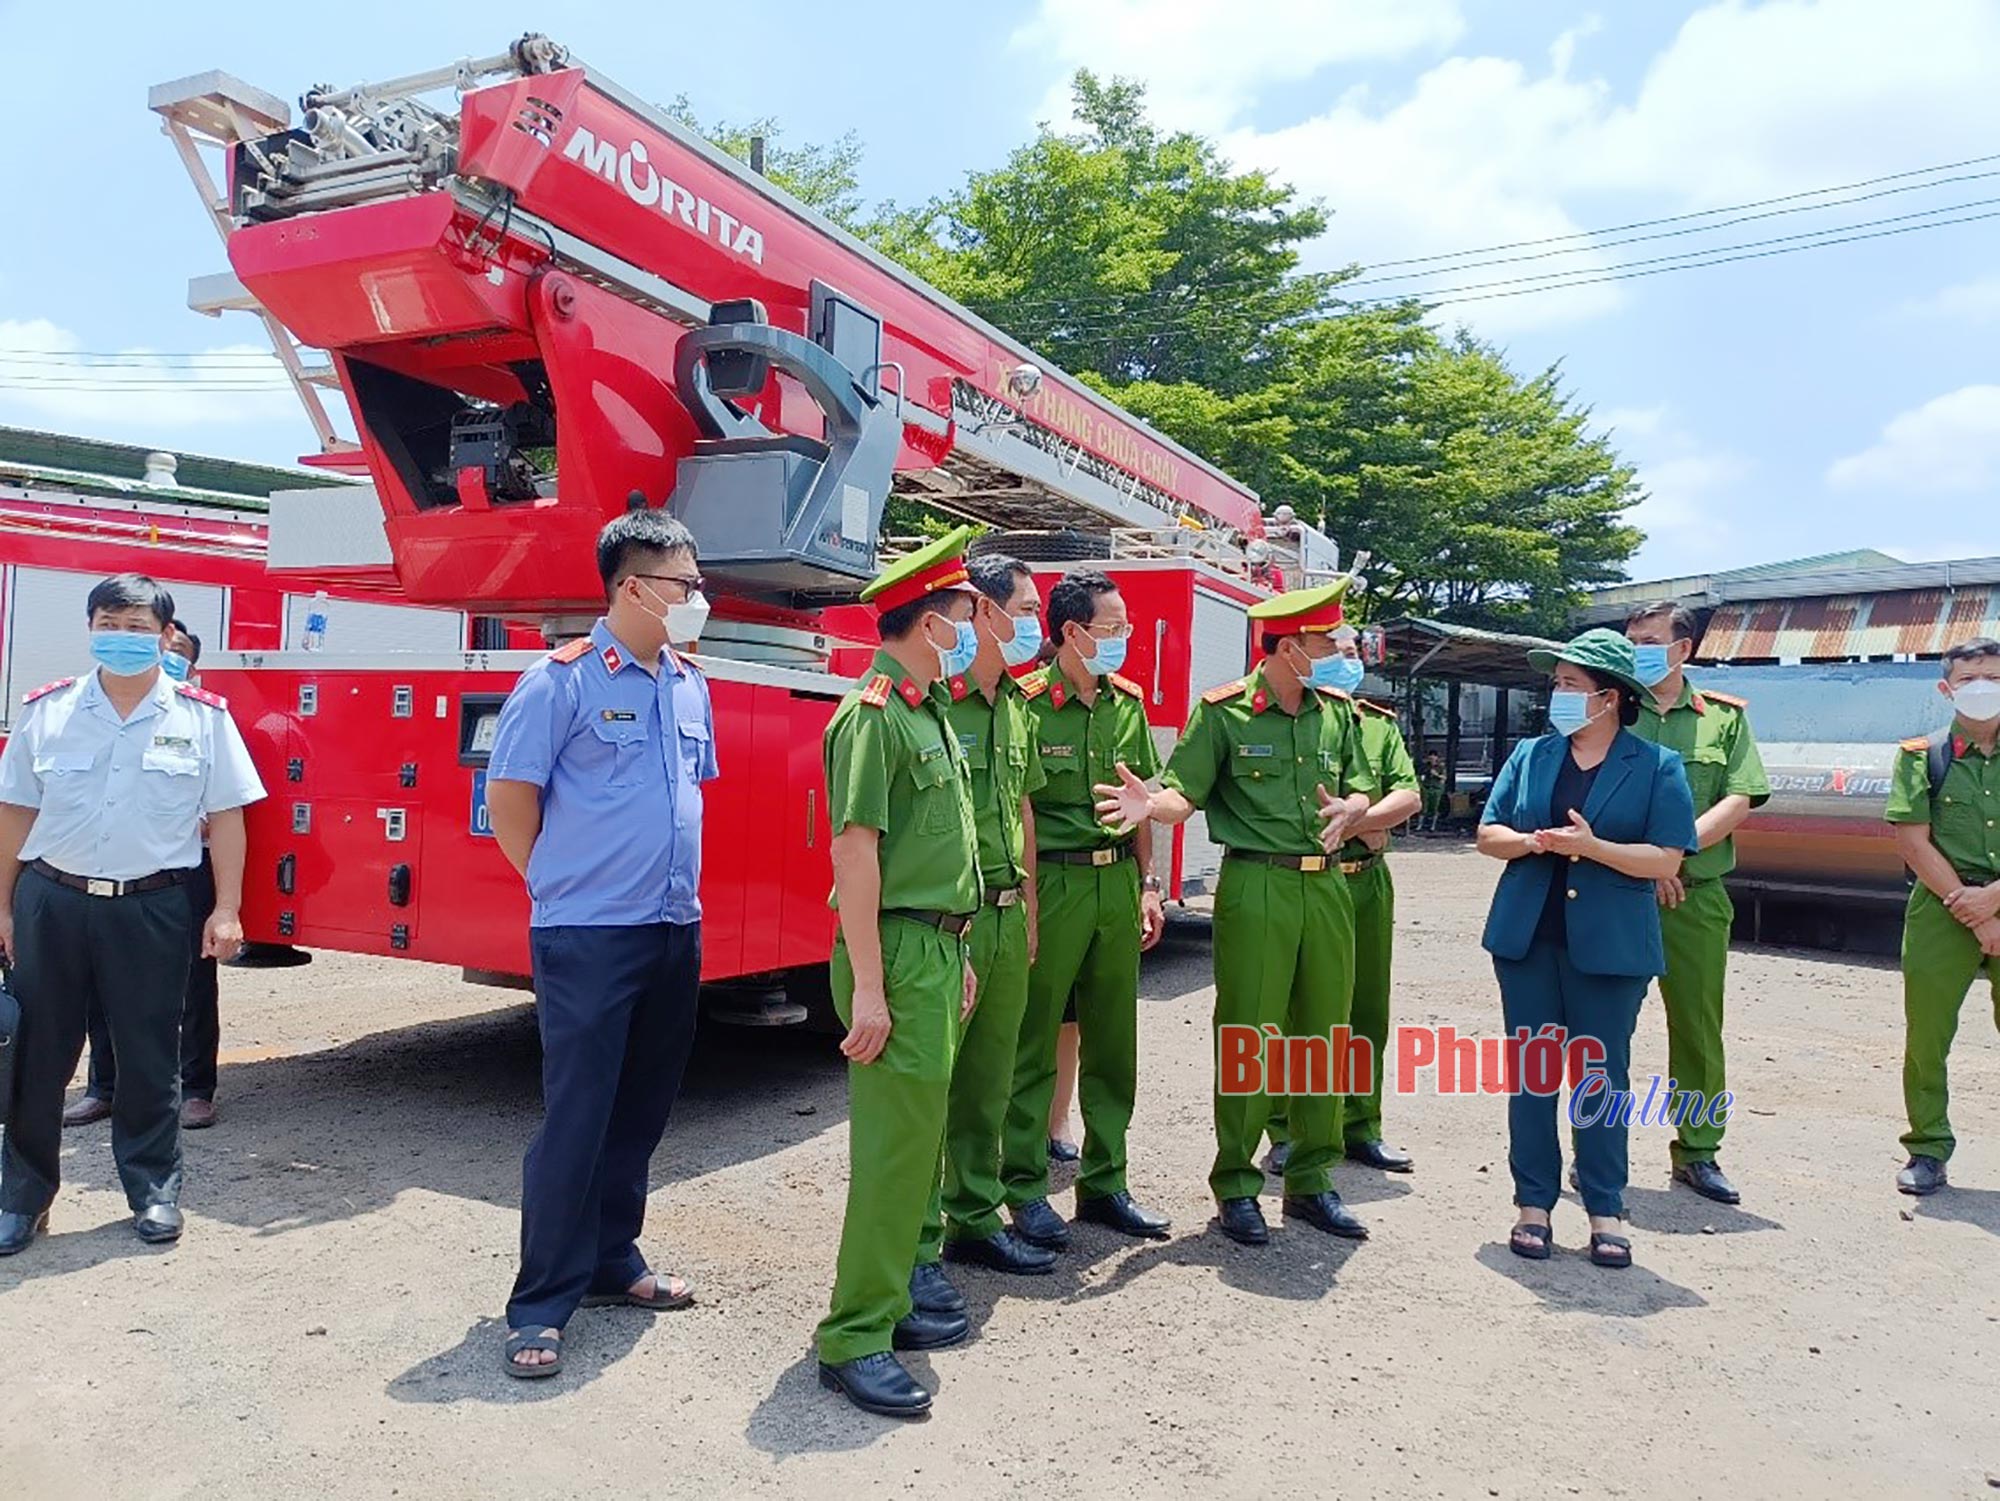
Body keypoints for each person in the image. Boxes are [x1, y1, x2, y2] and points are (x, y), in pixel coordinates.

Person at [483, 510, 717, 1379]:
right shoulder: (560, 682)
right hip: (588, 932)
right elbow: (511, 802)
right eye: (685, 586)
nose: (698, 599)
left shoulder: (688, 682)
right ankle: (541, 1299)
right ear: (632, 588)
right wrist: (557, 885)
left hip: (671, 926)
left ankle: (614, 1259)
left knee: (643, 1105)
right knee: (577, 1115)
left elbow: (690, 795)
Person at [1099, 583, 1378, 1244]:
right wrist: (1149, 807)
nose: (1341, 654)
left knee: (1323, 1034)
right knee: (1251, 1034)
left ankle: (1311, 1179)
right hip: (1257, 885)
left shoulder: (1336, 712)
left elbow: (1363, 783)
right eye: (1327, 644)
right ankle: (1236, 1185)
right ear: (1290, 647)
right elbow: (1180, 794)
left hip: (1328, 887)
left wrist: (1358, 807)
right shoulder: (1224, 713)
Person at [0, 574, 263, 1255]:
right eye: (110, 623)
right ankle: (23, 1198)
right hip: (51, 900)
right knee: (38, 1055)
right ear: (90, 627)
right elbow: (15, 812)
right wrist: (1, 904)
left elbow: (229, 819)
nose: (122, 637)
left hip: (152, 904)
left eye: (138, 627)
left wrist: (227, 906)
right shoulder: (48, 711)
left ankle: (153, 1191)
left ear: (167, 636)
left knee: (150, 1053)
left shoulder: (202, 717)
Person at [815, 527, 984, 1419]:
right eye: (962, 615)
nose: (972, 627)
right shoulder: (874, 714)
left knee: (920, 1145)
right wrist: (873, 987)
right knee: (891, 1155)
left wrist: (953, 955)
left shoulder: (930, 711)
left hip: (935, 948)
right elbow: (856, 851)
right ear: (927, 621)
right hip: (898, 951)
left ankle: (895, 1301)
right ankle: (855, 1335)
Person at [1475, 629, 1696, 1271]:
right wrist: (1531, 843)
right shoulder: (1531, 756)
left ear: (1610, 698)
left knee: (1601, 1076)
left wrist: (1593, 848)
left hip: (1612, 947)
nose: (1560, 695)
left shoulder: (1656, 766)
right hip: (1527, 938)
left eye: (1572, 684)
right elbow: (1489, 834)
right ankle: (1533, 1205)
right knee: (1533, 1074)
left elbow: (1666, 857)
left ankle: (1605, 1207)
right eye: (1558, 683)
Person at [1001, 569, 1171, 1251]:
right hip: (1057, 882)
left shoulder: (1127, 702)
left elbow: (1143, 799)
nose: (1124, 639)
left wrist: (1149, 883)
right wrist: (1030, 905)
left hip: (1115, 886)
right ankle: (1022, 1186)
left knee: (1112, 1042)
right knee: (1033, 1040)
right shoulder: (1028, 702)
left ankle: (1105, 1182)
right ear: (1071, 632)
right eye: (1113, 628)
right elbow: (1022, 811)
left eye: (1126, 626)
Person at [914, 552, 1058, 1299]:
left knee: (986, 1082)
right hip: (953, 923)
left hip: (1006, 917)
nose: (1035, 623)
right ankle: (918, 1241)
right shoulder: (941, 700)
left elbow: (1023, 806)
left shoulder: (1018, 704)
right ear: (985, 614)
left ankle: (975, 1212)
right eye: (1024, 609)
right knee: (931, 1085)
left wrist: (1029, 905)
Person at [1623, 602, 1769, 1204]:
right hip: (1619, 892)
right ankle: (1598, 1150)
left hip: (1696, 897)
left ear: (1683, 649)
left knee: (1698, 1028)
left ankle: (1699, 1151)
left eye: (1649, 640)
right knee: (1606, 1029)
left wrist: (1672, 855)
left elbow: (1738, 798)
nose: (1637, 650)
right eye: (1631, 640)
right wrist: (1643, 863)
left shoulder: (1724, 720)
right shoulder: (1613, 708)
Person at [66, 621, 225, 1131]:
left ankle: (195, 1089)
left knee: (192, 984)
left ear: (192, 665)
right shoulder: (87, 711)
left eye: (178, 650)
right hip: (109, 869)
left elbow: (227, 810)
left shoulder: (205, 718)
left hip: (181, 874)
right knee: (103, 984)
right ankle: (104, 1088)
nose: (164, 654)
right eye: (164, 645)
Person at [1884, 637, 2000, 1196]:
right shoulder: (1921, 755)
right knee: (1927, 1038)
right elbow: (1913, 841)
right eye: (1969, 678)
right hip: (1941, 908)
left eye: (1993, 677)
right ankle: (1928, 1149)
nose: (1982, 688)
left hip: (1993, 901)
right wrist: (1973, 909)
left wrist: (1994, 900)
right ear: (1946, 687)